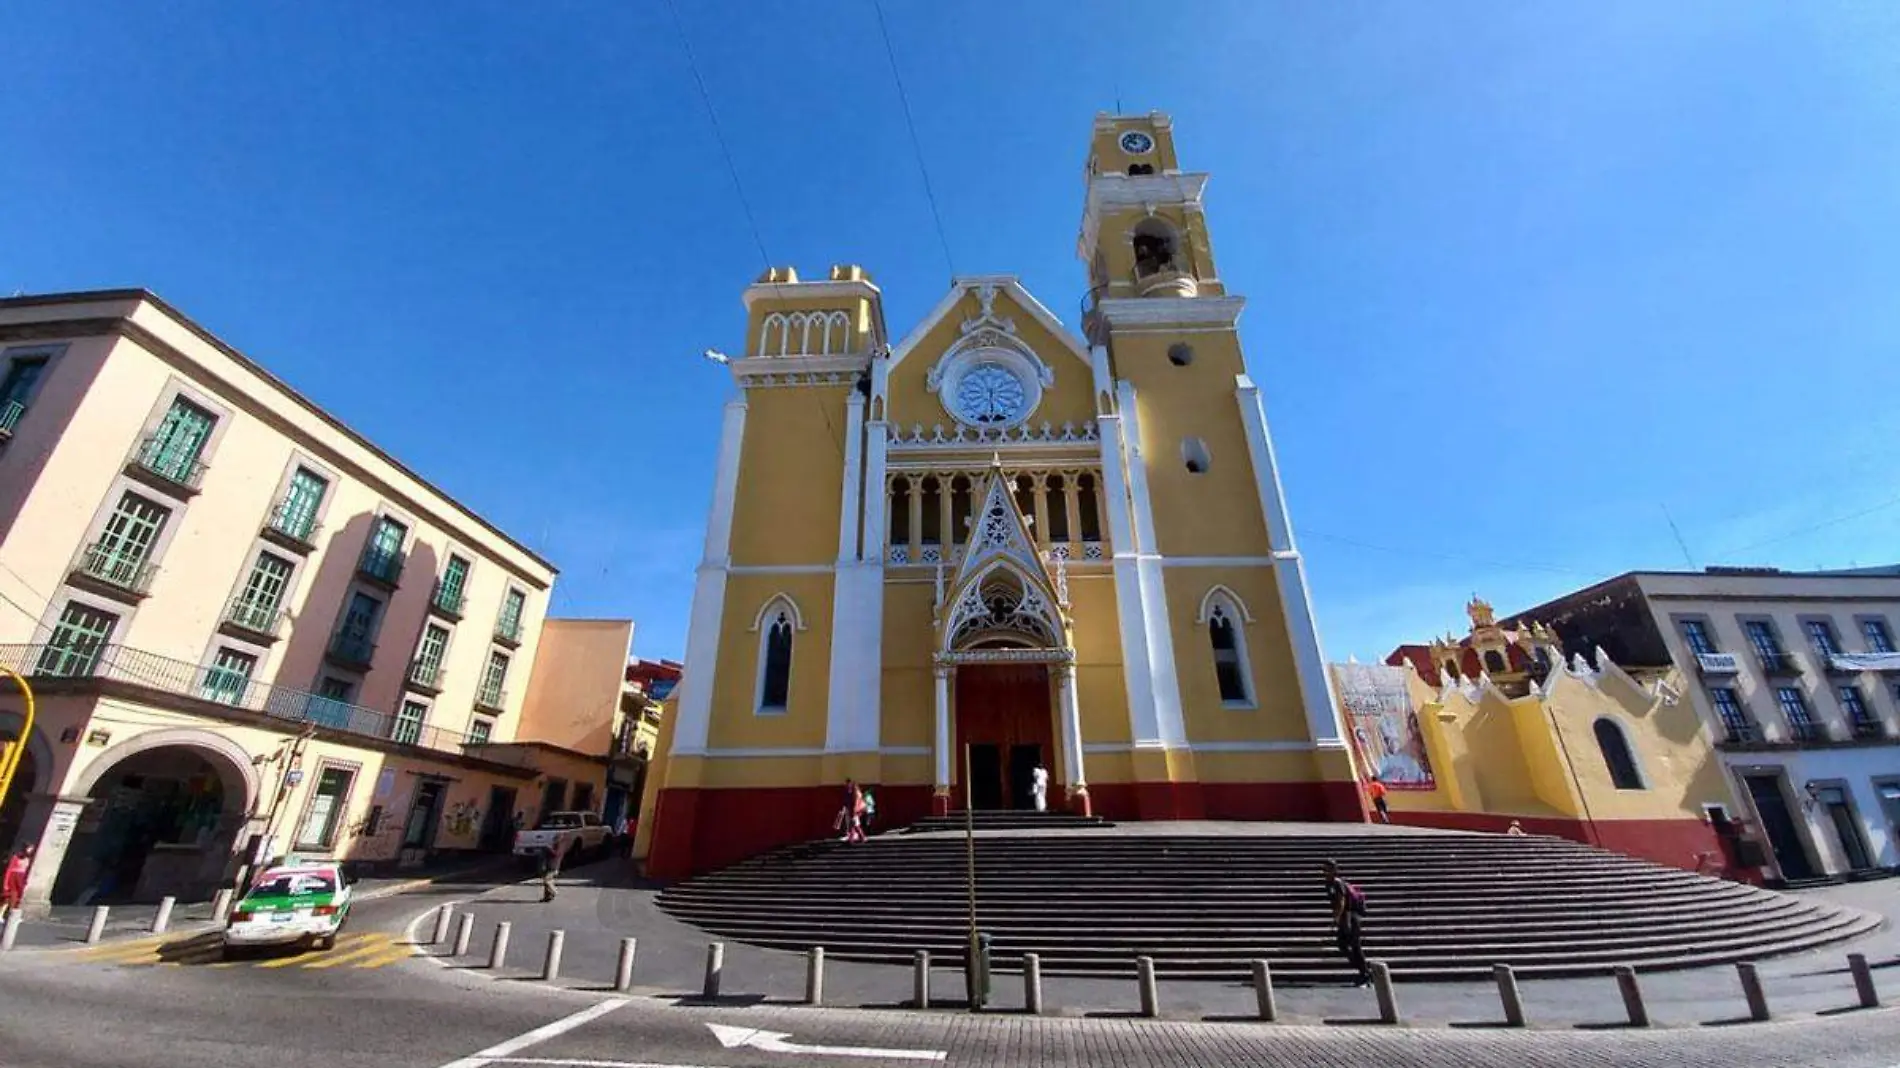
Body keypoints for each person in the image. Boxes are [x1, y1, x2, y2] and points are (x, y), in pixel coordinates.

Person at [1321, 859, 1370, 986]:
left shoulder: (1336, 883)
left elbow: (1341, 901)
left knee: (1354, 945)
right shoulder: (1330, 884)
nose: (1325, 872)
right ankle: (1364, 971)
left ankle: (1365, 973)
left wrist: (1337, 918)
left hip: (1349, 917)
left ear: (1334, 870)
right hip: (1346, 917)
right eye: (1324, 870)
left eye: (1328, 869)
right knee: (1344, 945)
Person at [1, 844, 34, 922]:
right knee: (10, 897)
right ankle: (5, 915)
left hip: (21, 878)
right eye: (29, 849)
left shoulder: (29, 859)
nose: (30, 851)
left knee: (18, 897)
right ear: (25, 849)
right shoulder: (16, 857)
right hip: (13, 877)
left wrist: (25, 880)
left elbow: (26, 870)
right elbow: (9, 870)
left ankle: (13, 916)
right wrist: (5, 883)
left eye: (31, 849)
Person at [539, 834, 567, 903]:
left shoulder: (560, 846)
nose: (554, 840)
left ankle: (554, 892)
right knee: (547, 882)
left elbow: (556, 854)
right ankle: (547, 897)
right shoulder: (556, 845)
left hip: (553, 867)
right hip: (550, 865)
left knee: (547, 881)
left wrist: (548, 849)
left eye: (555, 839)